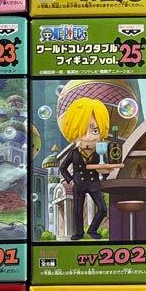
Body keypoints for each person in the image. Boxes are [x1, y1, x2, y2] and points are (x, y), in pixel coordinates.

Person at [56, 96, 121, 240]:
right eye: (82, 131)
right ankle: (79, 233)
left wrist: (104, 173)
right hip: (78, 183)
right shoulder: (73, 153)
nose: (88, 137)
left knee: (102, 208)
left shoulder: (99, 152)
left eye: (95, 131)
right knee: (78, 210)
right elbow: (63, 168)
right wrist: (70, 180)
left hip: (93, 183)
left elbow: (103, 168)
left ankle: (92, 230)